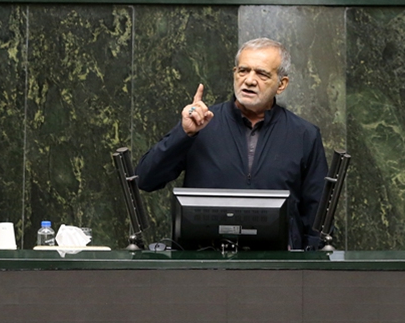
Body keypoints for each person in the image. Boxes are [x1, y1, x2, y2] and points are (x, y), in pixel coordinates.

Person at [135, 37, 328, 250]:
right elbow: (145, 179)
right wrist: (184, 134)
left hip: (276, 268)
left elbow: (317, 216)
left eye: (262, 74)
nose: (249, 80)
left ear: (281, 84)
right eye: (243, 71)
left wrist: (310, 266)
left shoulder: (304, 135)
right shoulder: (202, 122)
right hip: (203, 264)